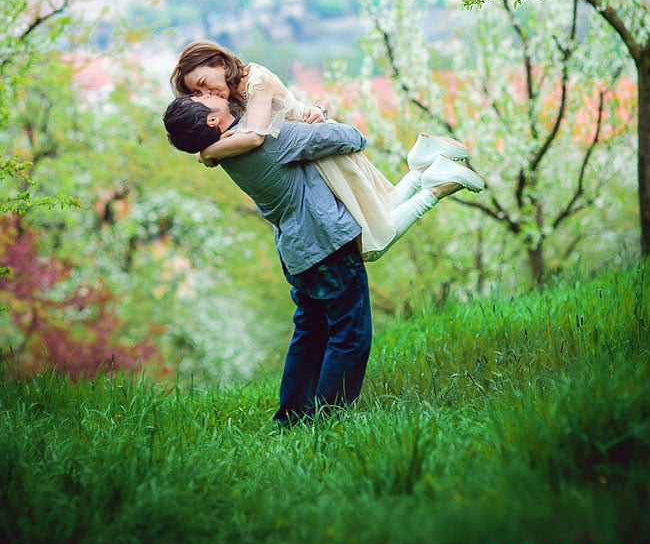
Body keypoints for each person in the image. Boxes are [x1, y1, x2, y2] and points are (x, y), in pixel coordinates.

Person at [162, 91, 478, 424]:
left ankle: (293, 416)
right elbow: (351, 138)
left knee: (311, 332)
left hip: (297, 252)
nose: (211, 92)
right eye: (202, 97)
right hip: (325, 247)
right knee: (349, 334)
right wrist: (317, 114)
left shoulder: (228, 151)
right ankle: (330, 419)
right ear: (212, 120)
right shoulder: (266, 141)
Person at [169, 41, 483, 261]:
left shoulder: (256, 81)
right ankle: (423, 168)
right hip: (310, 158)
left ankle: (427, 175)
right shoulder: (233, 99)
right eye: (197, 93)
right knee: (380, 213)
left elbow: (256, 137)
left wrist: (208, 153)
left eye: (203, 82)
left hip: (322, 157)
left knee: (375, 234)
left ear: (219, 63)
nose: (205, 92)